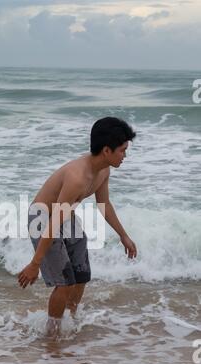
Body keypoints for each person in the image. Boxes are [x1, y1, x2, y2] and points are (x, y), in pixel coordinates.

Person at [18, 117, 137, 337]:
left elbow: (104, 205)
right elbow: (53, 221)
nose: (125, 156)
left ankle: (70, 324)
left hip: (64, 216)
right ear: (106, 150)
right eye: (122, 150)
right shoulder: (77, 177)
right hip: (42, 218)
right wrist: (35, 263)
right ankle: (52, 334)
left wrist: (123, 236)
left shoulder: (103, 171)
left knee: (81, 275)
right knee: (64, 282)